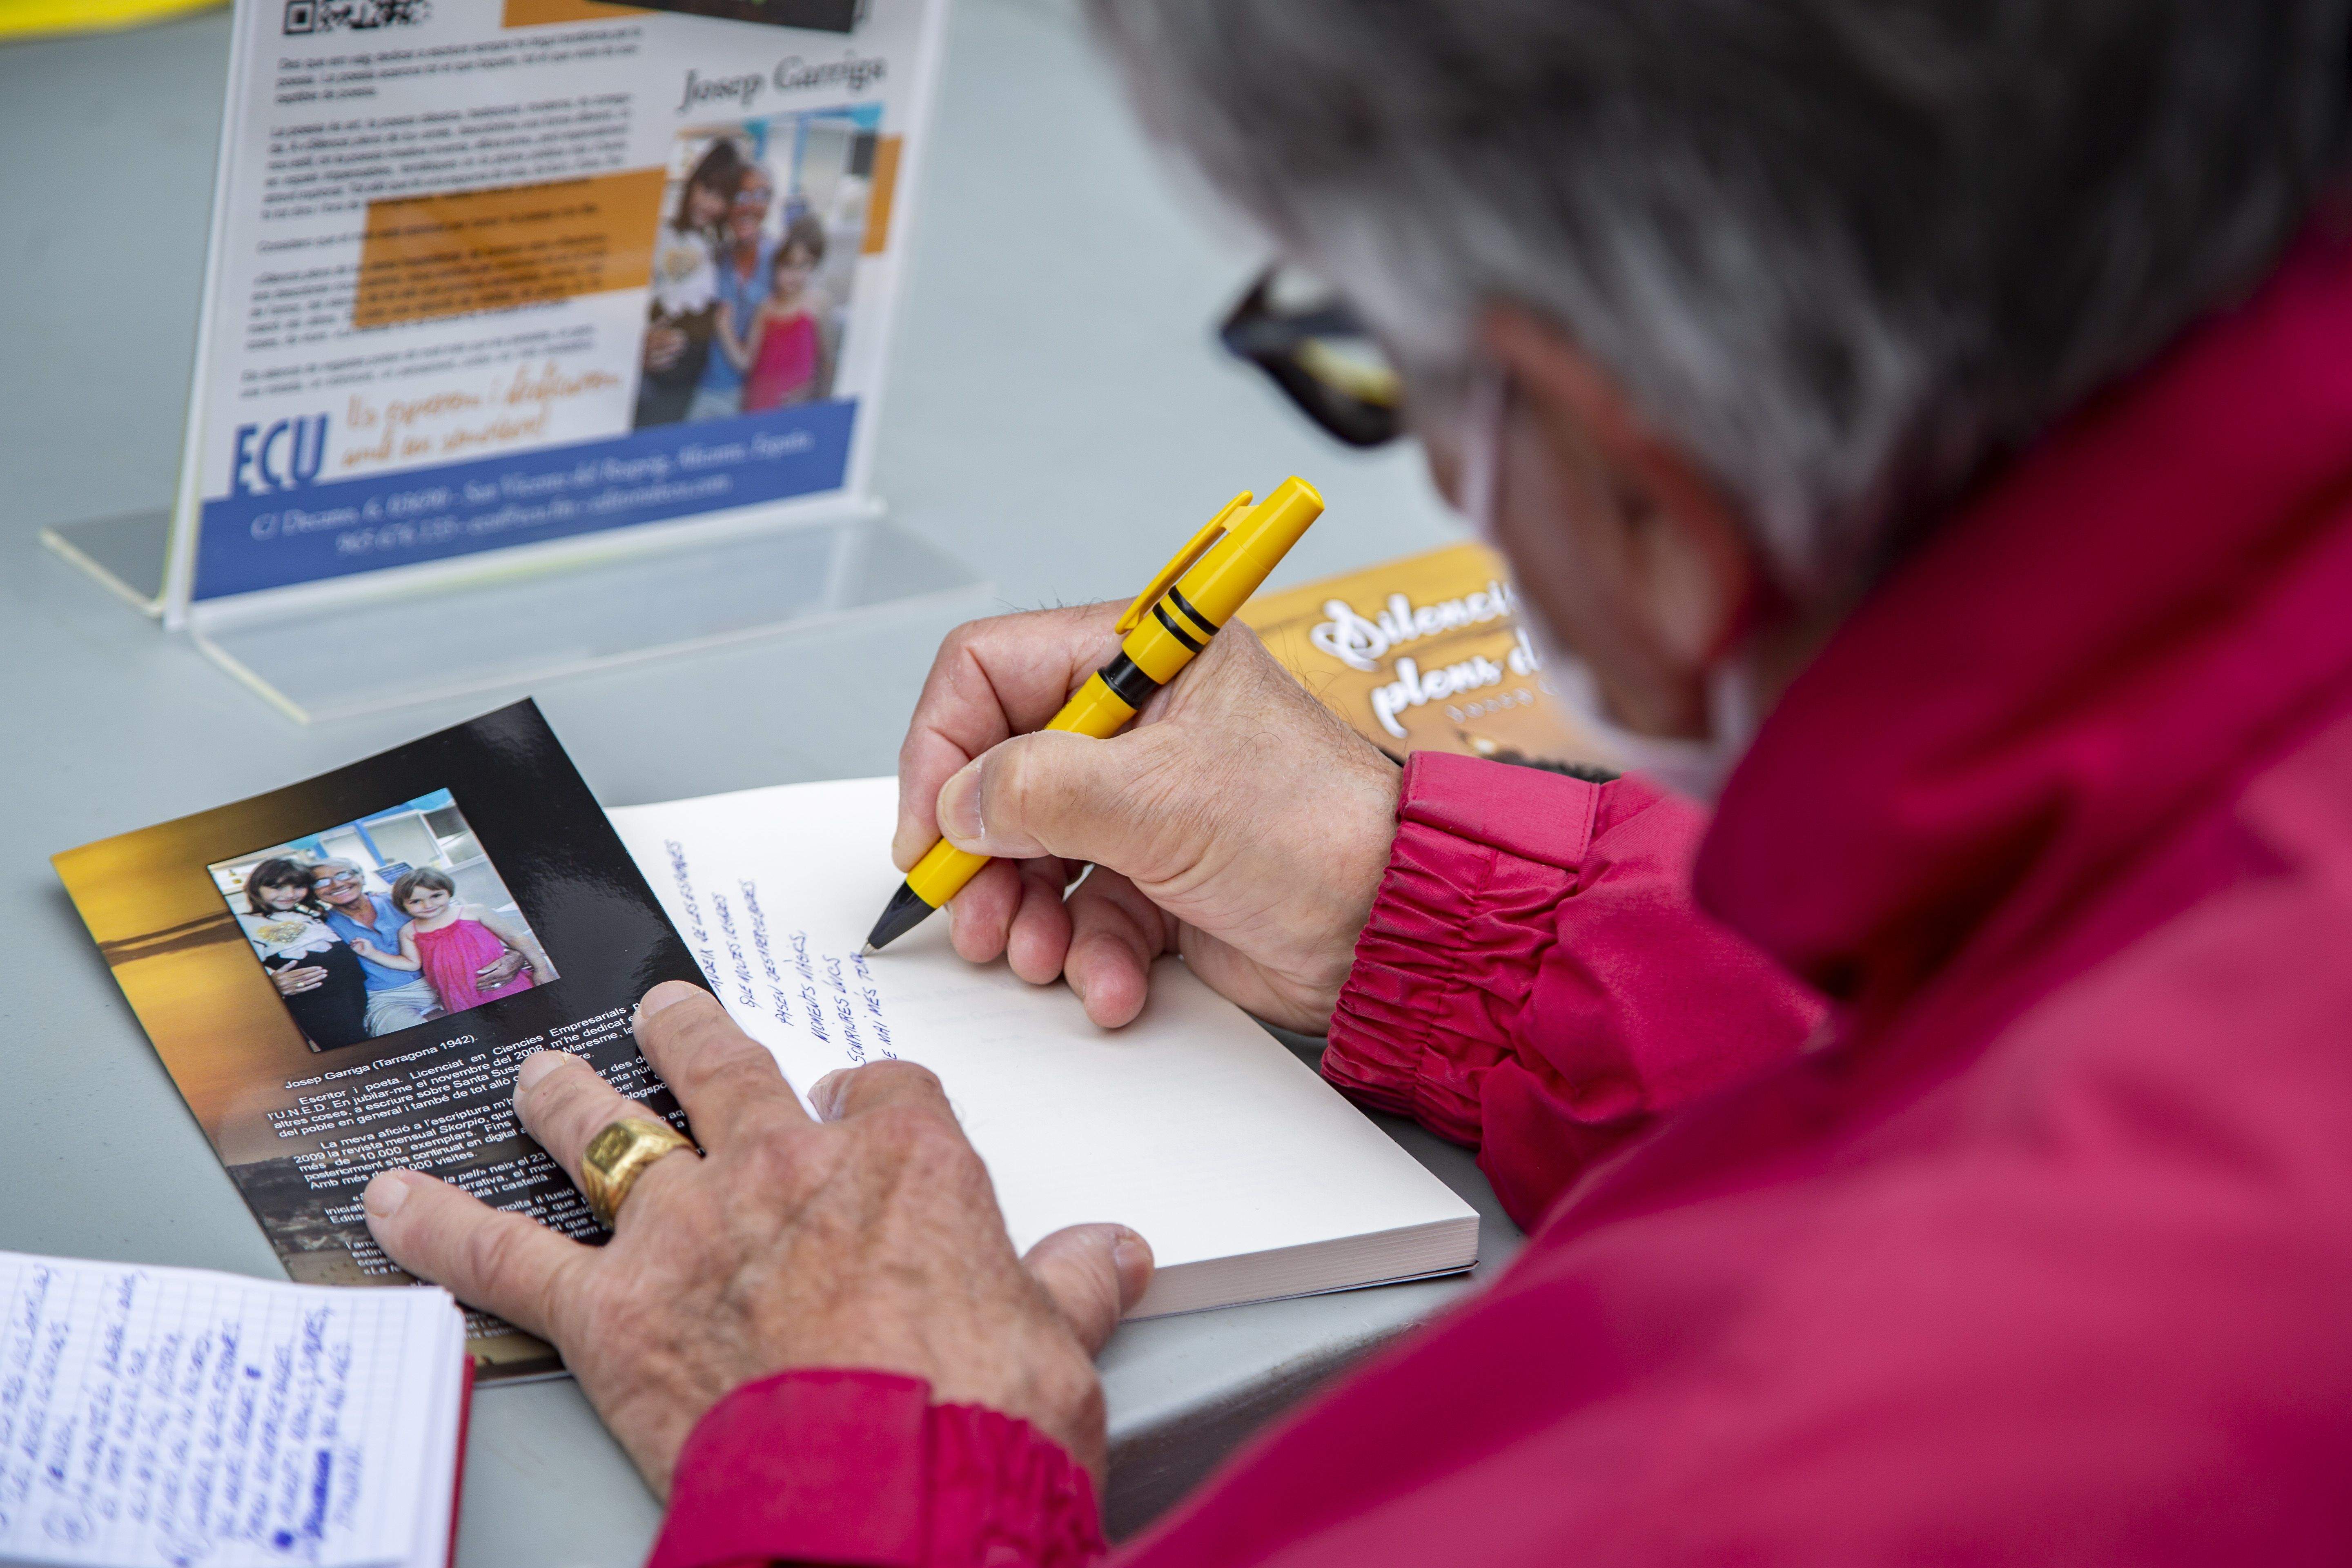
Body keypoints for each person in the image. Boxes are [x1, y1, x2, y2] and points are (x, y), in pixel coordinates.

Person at [356, 3, 2352, 1564]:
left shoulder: (1804, 1448)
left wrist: (863, 1465)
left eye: (1374, 359)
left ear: (1637, 490)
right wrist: (1450, 919)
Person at [303, 858, 525, 1036]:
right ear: (313, 893)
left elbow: (466, 930)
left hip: (450, 979)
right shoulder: (318, 927)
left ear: (361, 876)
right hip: (388, 997)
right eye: (322, 882)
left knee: (505, 1022)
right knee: (416, 1040)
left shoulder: (407, 901)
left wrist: (514, 955)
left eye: (344, 875)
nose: (337, 884)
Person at [635, 140, 742, 430]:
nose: (709, 203)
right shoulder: (661, 234)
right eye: (706, 189)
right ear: (693, 183)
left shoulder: (719, 246)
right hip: (658, 367)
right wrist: (643, 339)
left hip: (694, 373)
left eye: (721, 197)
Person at [349, 868, 555, 1013]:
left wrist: (542, 968)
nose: (428, 905)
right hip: (462, 996)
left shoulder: (474, 912)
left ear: (448, 892)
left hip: (505, 984)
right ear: (403, 905)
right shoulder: (409, 931)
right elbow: (411, 963)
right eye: (416, 901)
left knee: (535, 1014)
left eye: (436, 896)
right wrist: (372, 953)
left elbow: (515, 937)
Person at [235, 857, 368, 1051]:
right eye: (277, 887)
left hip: (360, 1000)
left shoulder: (311, 915)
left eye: (298, 887)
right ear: (257, 888)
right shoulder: (243, 924)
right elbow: (236, 981)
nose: (290, 894)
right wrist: (270, 985)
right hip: (323, 1012)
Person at [687, 165, 775, 424]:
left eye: (761, 195)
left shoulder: (782, 261)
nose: (750, 206)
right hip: (711, 393)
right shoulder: (713, 259)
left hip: (762, 399)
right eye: (740, 196)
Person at [716, 214, 831, 413]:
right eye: (787, 265)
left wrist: (819, 399)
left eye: (803, 265)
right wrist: (724, 328)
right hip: (757, 407)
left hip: (799, 411)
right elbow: (747, 362)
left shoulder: (817, 305)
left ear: (813, 265)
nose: (794, 275)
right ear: (776, 265)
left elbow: (827, 364)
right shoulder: (766, 308)